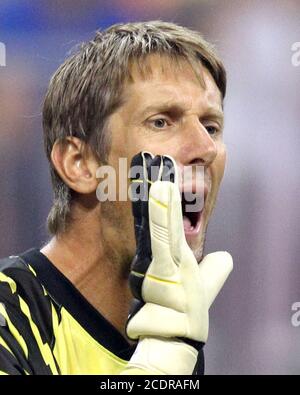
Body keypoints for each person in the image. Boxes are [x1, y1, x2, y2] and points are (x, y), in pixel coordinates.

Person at [0, 21, 232, 375]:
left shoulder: (172, 336)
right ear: (79, 163)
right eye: (161, 122)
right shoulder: (11, 317)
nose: (205, 148)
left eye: (211, 126)